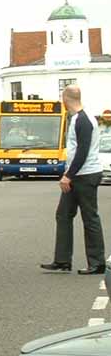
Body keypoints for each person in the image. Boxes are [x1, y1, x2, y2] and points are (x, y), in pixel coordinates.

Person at [41, 85, 105, 274]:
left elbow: (82, 151)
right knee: (63, 214)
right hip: (78, 175)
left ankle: (97, 263)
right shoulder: (79, 119)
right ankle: (62, 260)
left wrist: (68, 176)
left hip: (85, 175)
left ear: (65, 98)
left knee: (90, 217)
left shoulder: (83, 120)